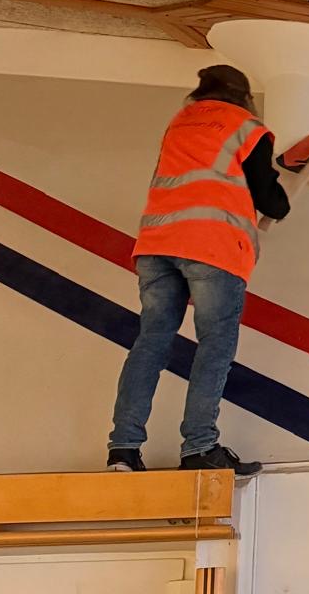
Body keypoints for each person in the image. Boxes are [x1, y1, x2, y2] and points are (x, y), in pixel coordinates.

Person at [106, 64, 290, 476]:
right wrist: (281, 201)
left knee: (150, 343)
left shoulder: (179, 124)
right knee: (214, 345)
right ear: (244, 97)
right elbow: (269, 199)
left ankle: (123, 450)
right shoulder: (247, 127)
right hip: (212, 247)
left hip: (157, 244)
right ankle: (200, 448)